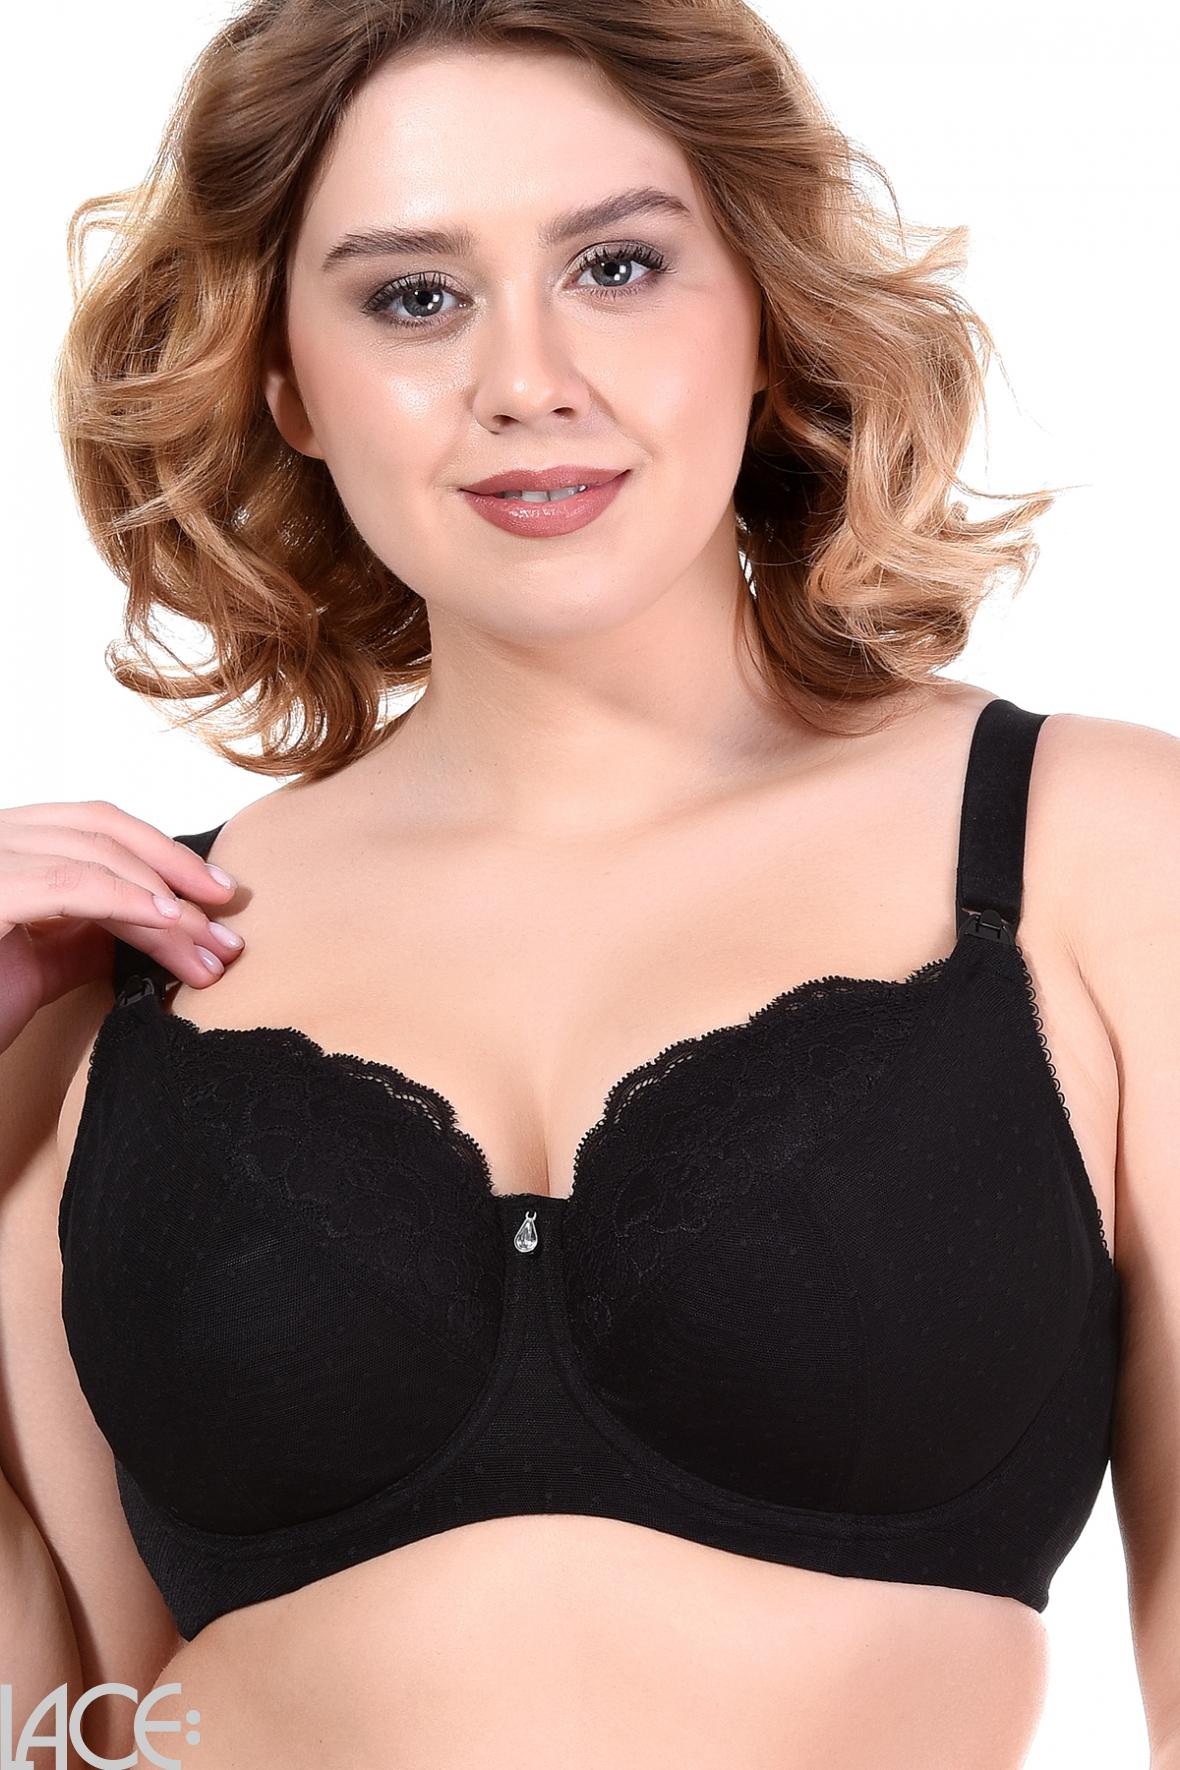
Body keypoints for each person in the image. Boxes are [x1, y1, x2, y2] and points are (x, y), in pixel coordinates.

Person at [1, 3, 1176, 1767]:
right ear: (285, 380)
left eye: (617, 267)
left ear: (764, 316)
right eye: (414, 296)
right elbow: (61, 1715)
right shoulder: (118, 963)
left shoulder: (1090, 848)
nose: (525, 380)